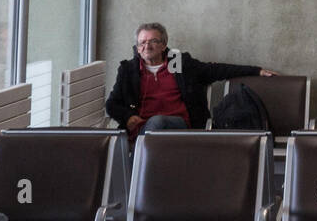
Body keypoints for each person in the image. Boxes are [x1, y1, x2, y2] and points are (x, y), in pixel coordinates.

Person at [106, 22, 274, 141]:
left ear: (164, 45)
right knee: (152, 126)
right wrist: (128, 116)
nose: (147, 46)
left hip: (178, 125)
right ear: (137, 47)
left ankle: (135, 177)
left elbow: (214, 70)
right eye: (142, 42)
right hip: (142, 128)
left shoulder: (177, 62)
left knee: (157, 122)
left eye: (153, 41)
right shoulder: (129, 70)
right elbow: (112, 104)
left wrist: (255, 70)